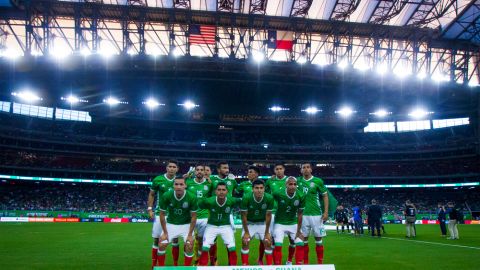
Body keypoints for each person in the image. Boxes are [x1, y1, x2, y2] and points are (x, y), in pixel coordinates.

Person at [198, 182, 241, 266]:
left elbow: (244, 202)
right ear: (215, 191)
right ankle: (203, 267)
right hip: (211, 226)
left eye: (223, 190)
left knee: (232, 248)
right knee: (205, 248)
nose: (221, 192)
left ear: (227, 192)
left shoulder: (232, 200)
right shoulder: (209, 201)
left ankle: (232, 267)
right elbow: (199, 204)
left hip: (226, 226)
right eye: (219, 190)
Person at [157, 177, 198, 266]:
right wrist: (164, 232)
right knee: (161, 244)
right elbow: (162, 214)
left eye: (181, 184)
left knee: (190, 245)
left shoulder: (192, 197)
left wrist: (190, 234)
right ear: (173, 185)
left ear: (185, 186)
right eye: (176, 184)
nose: (179, 187)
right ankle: (161, 268)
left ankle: (186, 268)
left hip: (186, 225)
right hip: (171, 224)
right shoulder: (166, 195)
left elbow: (194, 217)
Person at [147, 160, 179, 268]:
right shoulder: (158, 179)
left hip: (174, 215)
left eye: (174, 167)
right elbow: (152, 194)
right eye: (170, 166)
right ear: (166, 168)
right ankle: (154, 264)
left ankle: (175, 264)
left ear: (177, 169)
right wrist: (150, 209)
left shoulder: (180, 181)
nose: (172, 168)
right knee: (156, 239)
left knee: (175, 239)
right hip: (160, 213)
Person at [297, 162, 329, 264]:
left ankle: (320, 263)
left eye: (307, 167)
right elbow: (285, 181)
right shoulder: (297, 181)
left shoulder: (317, 181)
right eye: (303, 167)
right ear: (301, 170)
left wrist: (326, 212)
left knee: (318, 240)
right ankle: (305, 263)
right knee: (304, 240)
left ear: (311, 169)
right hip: (303, 215)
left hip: (316, 214)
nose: (305, 169)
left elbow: (325, 196)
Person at [272, 176, 306, 265]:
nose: (293, 186)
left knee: (300, 244)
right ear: (286, 185)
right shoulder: (278, 193)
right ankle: (277, 266)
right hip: (279, 223)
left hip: (293, 222)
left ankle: (293, 263)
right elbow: (268, 199)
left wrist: (299, 231)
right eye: (290, 184)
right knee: (278, 245)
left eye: (295, 184)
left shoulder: (301, 195)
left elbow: (300, 214)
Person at [240, 180, 274, 265]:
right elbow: (243, 216)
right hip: (249, 223)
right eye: (256, 188)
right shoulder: (246, 197)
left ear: (264, 189)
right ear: (252, 189)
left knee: (268, 242)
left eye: (261, 188)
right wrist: (247, 232)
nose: (259, 190)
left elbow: (268, 215)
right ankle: (245, 265)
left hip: (262, 223)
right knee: (245, 241)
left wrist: (267, 232)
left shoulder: (269, 198)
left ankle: (269, 266)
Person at [186, 165, 212, 264]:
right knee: (189, 242)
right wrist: (187, 175)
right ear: (195, 172)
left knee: (201, 242)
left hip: (204, 217)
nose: (200, 171)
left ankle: (200, 261)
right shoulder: (188, 182)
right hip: (190, 217)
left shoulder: (209, 184)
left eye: (202, 170)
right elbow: (177, 184)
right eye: (197, 170)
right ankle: (189, 262)